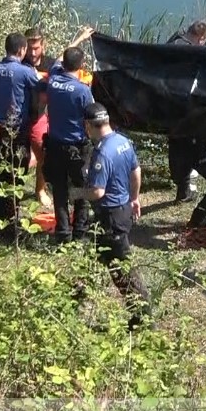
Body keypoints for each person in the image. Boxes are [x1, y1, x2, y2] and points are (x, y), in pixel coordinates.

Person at [83, 102, 151, 329]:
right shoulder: (122, 141)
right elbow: (136, 170)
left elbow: (97, 192)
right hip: (122, 211)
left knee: (122, 270)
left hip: (110, 217)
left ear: (88, 126)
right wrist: (134, 198)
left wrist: (74, 193)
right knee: (89, 262)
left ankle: (143, 319)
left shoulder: (102, 152)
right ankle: (72, 305)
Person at [162, 21, 206, 230]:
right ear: (201, 39)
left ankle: (183, 194)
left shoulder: (174, 45)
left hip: (175, 128)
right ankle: (197, 218)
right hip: (193, 139)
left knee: (179, 167)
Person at [23, 26, 95, 208]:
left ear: (43, 46)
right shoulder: (19, 63)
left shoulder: (51, 65)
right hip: (19, 116)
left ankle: (40, 190)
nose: (32, 52)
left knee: (43, 156)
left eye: (36, 47)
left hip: (38, 117)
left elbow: (65, 57)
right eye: (29, 48)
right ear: (22, 47)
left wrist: (80, 38)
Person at [37, 46, 96, 243]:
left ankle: (63, 232)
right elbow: (91, 117)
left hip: (54, 145)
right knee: (81, 188)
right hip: (76, 147)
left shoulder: (53, 80)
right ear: (81, 66)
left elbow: (57, 61)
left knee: (59, 189)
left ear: (63, 64)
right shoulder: (82, 90)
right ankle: (80, 231)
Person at [0, 32, 41, 243]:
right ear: (22, 50)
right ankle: (10, 224)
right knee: (16, 174)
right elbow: (41, 88)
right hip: (17, 131)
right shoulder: (25, 72)